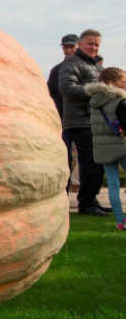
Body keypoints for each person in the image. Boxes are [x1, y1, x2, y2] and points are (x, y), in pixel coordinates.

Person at [59, 29, 109, 216]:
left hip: (93, 120)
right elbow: (66, 87)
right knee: (91, 161)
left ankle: (91, 200)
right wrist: (95, 91)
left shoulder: (96, 66)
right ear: (80, 44)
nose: (94, 47)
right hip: (79, 120)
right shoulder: (72, 64)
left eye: (96, 44)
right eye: (90, 43)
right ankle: (86, 205)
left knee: (96, 161)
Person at [87, 67, 126, 230]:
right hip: (121, 147)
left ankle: (120, 221)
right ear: (112, 83)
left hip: (102, 148)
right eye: (123, 81)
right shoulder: (120, 101)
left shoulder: (95, 101)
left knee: (113, 185)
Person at [48, 34, 79, 191]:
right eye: (65, 47)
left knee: (89, 159)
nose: (68, 50)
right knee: (65, 155)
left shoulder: (87, 68)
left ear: (78, 47)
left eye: (71, 47)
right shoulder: (56, 70)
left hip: (85, 120)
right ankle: (64, 192)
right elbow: (50, 93)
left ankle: (88, 200)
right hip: (64, 120)